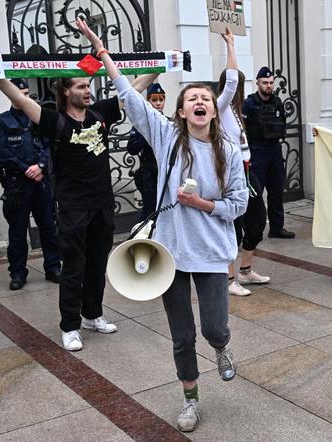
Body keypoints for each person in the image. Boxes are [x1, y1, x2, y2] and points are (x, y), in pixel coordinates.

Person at [77, 18, 247, 433]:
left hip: (210, 253)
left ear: (213, 108)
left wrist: (203, 204)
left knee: (213, 327)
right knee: (183, 336)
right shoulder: (166, 137)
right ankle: (190, 400)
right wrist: (102, 52)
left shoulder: (226, 148)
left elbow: (238, 204)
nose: (199, 102)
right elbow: (130, 101)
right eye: (192, 98)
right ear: (182, 110)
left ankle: (223, 347)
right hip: (170, 252)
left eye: (205, 97)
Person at [0, 57, 157, 352]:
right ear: (66, 91)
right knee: (74, 268)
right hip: (73, 207)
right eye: (81, 86)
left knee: (97, 264)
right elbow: (17, 97)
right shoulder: (54, 120)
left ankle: (92, 314)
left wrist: (161, 65)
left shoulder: (101, 112)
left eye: (88, 84)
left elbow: (134, 88)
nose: (88, 90)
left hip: (103, 203)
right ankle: (70, 326)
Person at [0, 78, 61, 290]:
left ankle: (53, 267)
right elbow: (0, 150)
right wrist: (24, 168)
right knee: (18, 232)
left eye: (28, 93)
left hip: (41, 182)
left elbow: (50, 145)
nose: (25, 97)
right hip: (17, 184)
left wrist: (39, 165)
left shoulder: (38, 118)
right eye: (21, 93)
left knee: (48, 227)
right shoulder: (1, 122)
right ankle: (18, 273)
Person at [217, 30, 270, 297]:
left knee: (258, 219)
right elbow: (229, 81)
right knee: (232, 226)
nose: (240, 88)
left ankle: (246, 270)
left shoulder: (237, 112)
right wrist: (230, 46)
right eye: (237, 84)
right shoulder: (221, 107)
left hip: (247, 172)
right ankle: (228, 279)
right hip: (231, 174)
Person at [243, 66, 295, 239]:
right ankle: (252, 229)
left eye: (271, 82)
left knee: (277, 191)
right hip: (257, 151)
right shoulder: (249, 103)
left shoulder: (277, 102)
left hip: (274, 150)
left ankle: (276, 228)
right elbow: (242, 130)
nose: (269, 86)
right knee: (255, 194)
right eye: (265, 82)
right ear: (257, 83)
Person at [127, 82, 166, 220]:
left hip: (165, 174)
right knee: (149, 213)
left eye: (161, 99)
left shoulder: (168, 122)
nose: (158, 103)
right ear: (148, 101)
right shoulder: (141, 124)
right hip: (149, 174)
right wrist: (146, 131)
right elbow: (131, 148)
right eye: (154, 99)